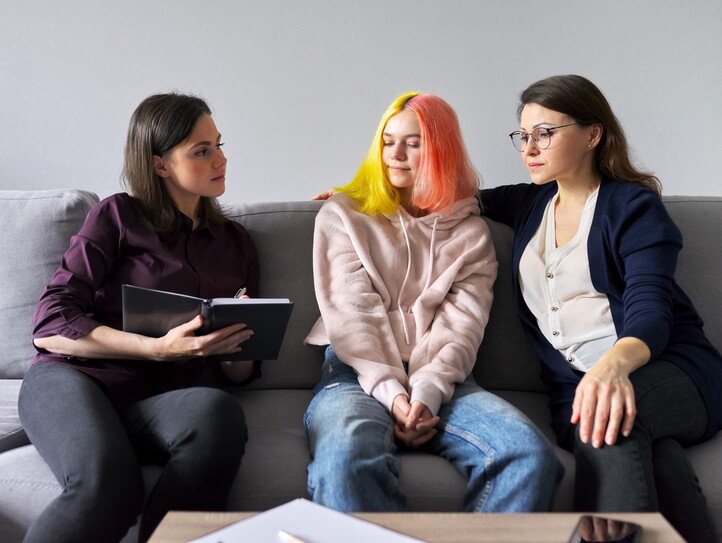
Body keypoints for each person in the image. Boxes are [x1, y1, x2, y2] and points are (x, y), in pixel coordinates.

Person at [480, 74, 722, 542]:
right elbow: (444, 198)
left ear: (593, 135)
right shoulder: (527, 202)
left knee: (606, 424)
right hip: (573, 391)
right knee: (657, 457)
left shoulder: (633, 208)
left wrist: (610, 370)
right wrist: (358, 199)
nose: (530, 147)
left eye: (545, 133)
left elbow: (651, 311)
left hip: (672, 370)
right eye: (523, 135)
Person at [304, 92, 563, 513]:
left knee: (528, 456)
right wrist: (392, 394)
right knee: (343, 461)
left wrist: (426, 393)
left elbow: (461, 326)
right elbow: (353, 319)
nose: (396, 154)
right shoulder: (343, 215)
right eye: (388, 141)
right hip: (354, 372)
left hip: (448, 380)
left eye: (414, 142)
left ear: (440, 148)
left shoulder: (472, 234)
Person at [19, 93, 260, 543]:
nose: (221, 159)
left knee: (218, 411)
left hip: (158, 399)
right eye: (202, 150)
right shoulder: (116, 216)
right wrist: (157, 348)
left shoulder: (236, 243)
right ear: (160, 165)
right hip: (75, 380)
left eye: (220, 145)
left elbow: (239, 373)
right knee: (110, 485)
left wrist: (237, 343)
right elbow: (51, 322)